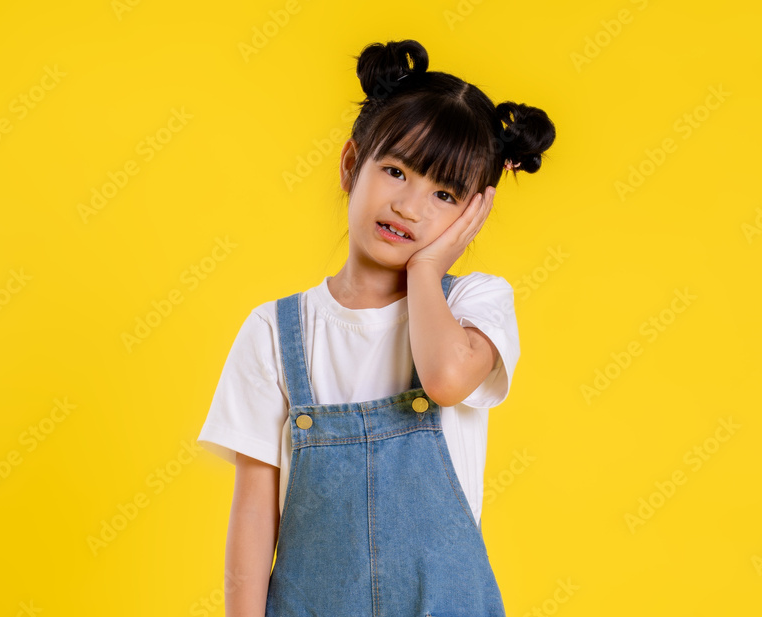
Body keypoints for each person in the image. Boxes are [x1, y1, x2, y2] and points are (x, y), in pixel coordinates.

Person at [197, 38, 555, 617]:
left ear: (473, 215)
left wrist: (429, 267)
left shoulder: (473, 305)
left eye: (444, 194)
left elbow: (443, 380)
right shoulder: (274, 331)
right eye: (395, 171)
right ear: (349, 165)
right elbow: (253, 514)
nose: (410, 207)